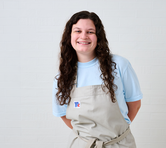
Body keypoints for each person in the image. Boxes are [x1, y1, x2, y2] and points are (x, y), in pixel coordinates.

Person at [52, 11, 142, 148]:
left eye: (90, 32)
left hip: (119, 144)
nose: (83, 36)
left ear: (98, 36)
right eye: (78, 31)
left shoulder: (119, 65)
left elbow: (135, 104)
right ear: (69, 36)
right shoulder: (63, 76)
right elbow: (63, 114)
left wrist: (114, 133)